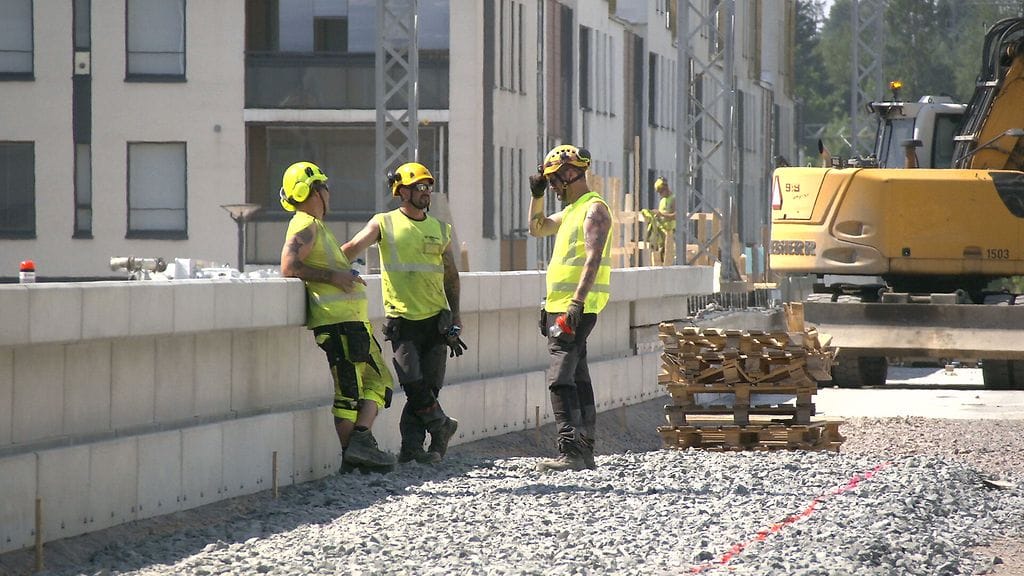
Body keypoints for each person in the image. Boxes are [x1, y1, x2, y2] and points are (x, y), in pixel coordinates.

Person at [343, 162, 465, 465]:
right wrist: (328, 268)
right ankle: (441, 424)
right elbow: (352, 247)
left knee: (427, 389)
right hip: (403, 320)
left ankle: (412, 450)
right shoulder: (383, 223)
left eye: (429, 187)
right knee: (412, 381)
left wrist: (456, 316)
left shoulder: (440, 229)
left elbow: (451, 277)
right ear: (402, 191)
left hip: (437, 319)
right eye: (420, 187)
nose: (426, 193)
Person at [278, 161, 397, 472]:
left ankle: (360, 444)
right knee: (349, 391)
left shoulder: (316, 226)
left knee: (379, 381)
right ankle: (353, 457)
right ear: (314, 191)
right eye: (325, 187)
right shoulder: (304, 224)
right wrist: (334, 277)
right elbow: (289, 266)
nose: (329, 194)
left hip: (350, 321)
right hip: (337, 321)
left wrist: (343, 275)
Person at [527, 144, 613, 472]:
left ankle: (571, 449)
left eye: (552, 181)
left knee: (559, 376)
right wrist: (535, 196)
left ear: (569, 173)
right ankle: (584, 449)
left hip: (577, 306)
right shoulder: (573, 210)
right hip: (561, 304)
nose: (551, 187)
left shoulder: (594, 210)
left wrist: (575, 304)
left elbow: (593, 258)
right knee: (577, 374)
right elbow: (537, 228)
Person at [652, 177, 676, 265]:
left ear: (666, 188)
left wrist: (661, 215)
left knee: (668, 257)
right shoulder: (662, 200)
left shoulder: (673, 199)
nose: (660, 194)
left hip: (670, 232)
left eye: (661, 191)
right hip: (661, 232)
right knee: (659, 255)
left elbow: (675, 216)